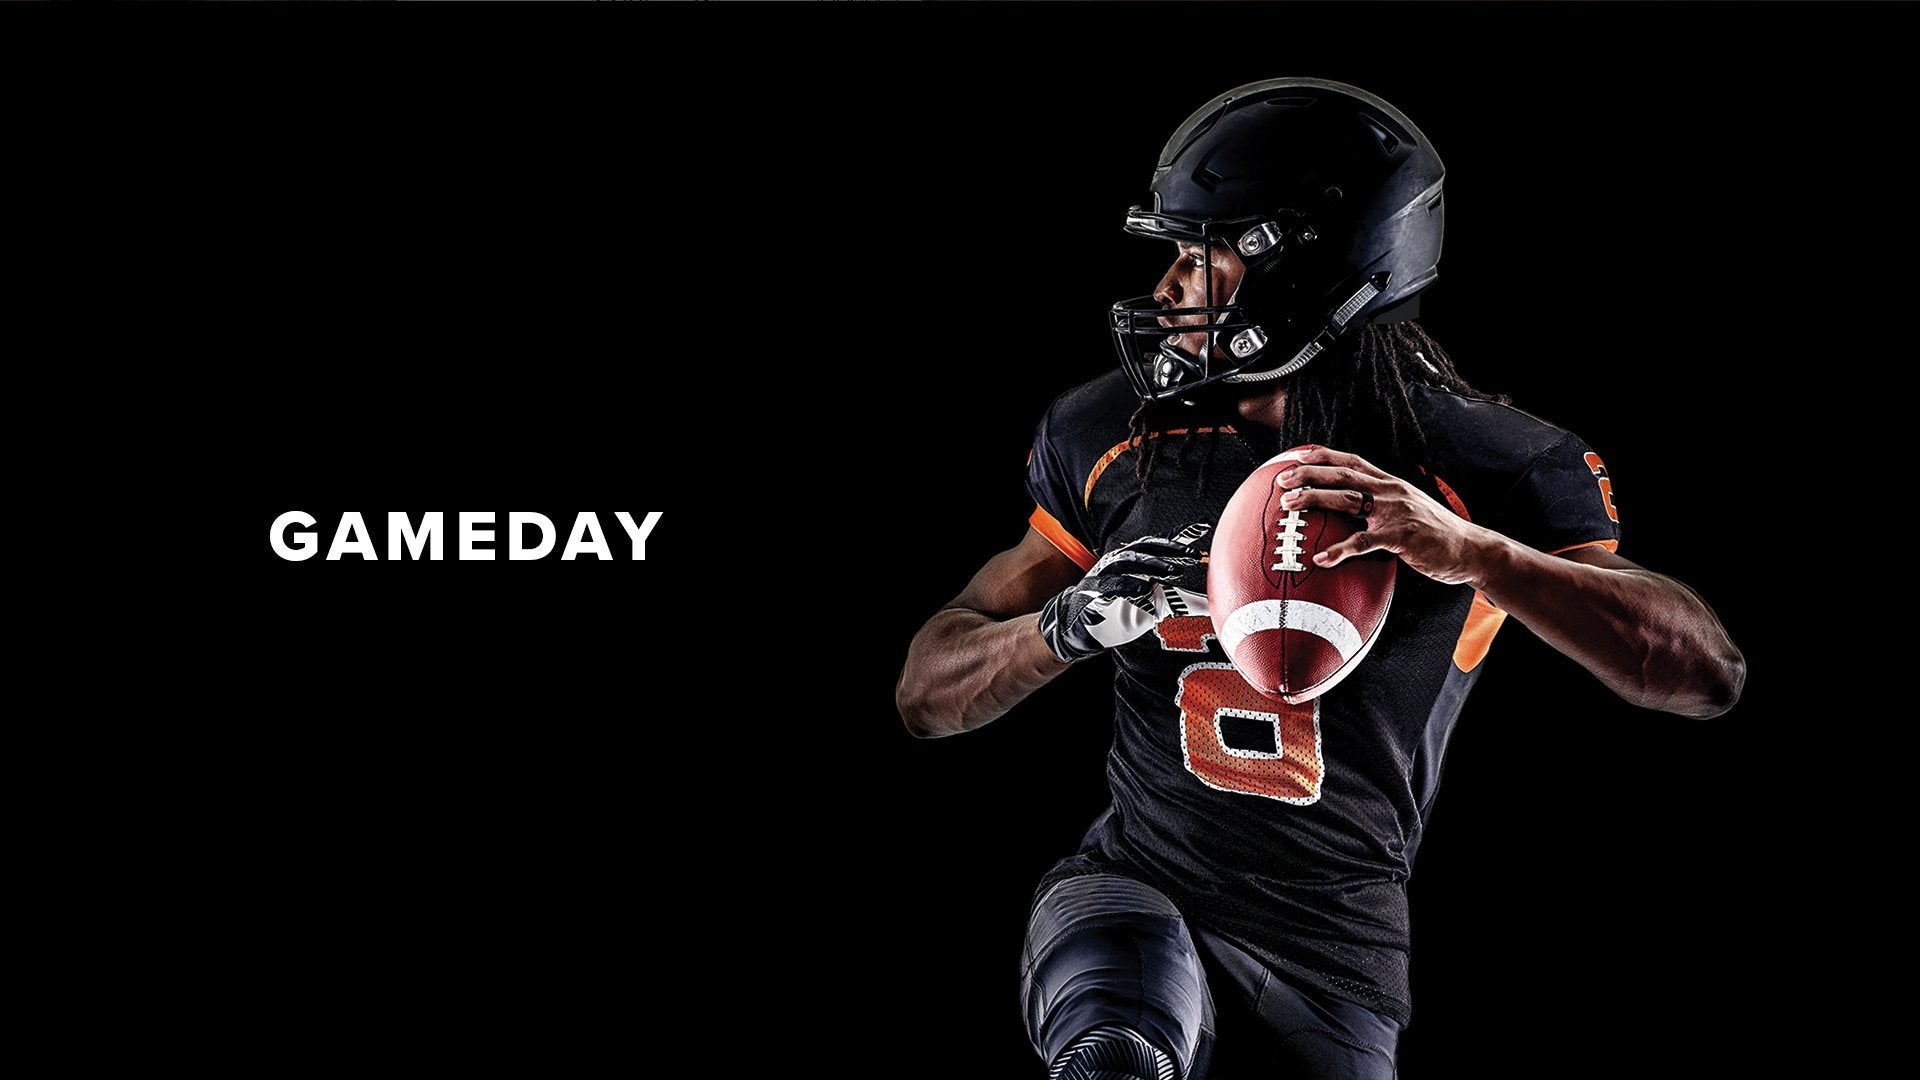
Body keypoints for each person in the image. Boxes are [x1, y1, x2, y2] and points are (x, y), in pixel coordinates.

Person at [894, 78, 1745, 1079]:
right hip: (1136, 886)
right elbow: (926, 695)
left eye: (1204, 255)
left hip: (1335, 948)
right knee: (1115, 1044)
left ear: (1303, 273)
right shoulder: (1113, 436)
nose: (1169, 286)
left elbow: (1701, 674)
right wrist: (1067, 626)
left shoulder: (1485, 465)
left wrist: (1479, 555)